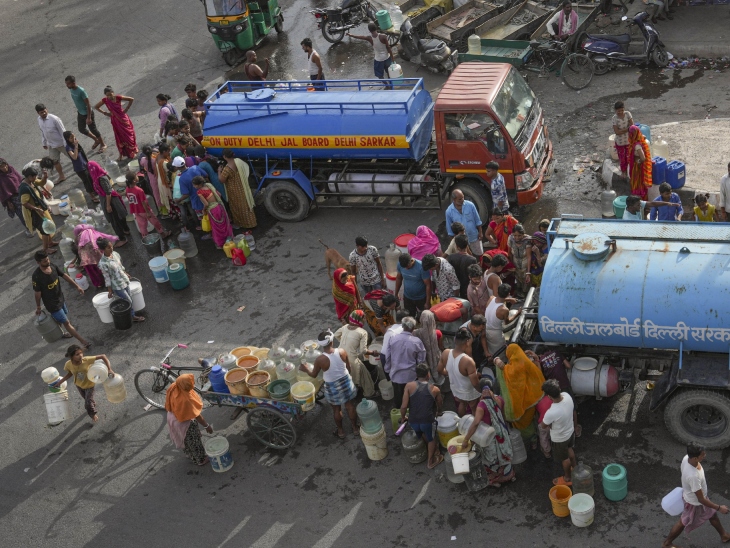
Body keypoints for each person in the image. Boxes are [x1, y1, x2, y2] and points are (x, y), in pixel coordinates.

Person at [662, 444, 730, 548]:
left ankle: (724, 535)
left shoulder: (687, 458)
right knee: (683, 522)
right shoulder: (693, 476)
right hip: (695, 503)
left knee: (712, 515)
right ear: (695, 458)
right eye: (703, 455)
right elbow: (701, 499)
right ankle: (667, 543)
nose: (705, 455)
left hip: (696, 498)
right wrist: (719, 508)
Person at [300, 330, 359, 439]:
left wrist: (306, 369)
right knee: (349, 406)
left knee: (337, 409)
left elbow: (313, 375)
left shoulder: (320, 359)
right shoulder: (342, 351)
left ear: (320, 345)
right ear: (331, 341)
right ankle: (355, 428)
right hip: (345, 380)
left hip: (332, 386)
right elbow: (348, 369)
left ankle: (340, 431)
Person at [462, 379, 515, 486]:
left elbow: (476, 423)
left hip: (489, 437)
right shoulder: (499, 399)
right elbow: (503, 416)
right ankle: (509, 475)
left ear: (480, 390)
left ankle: (495, 480)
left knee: (491, 459)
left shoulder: (482, 405)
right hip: (501, 434)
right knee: (503, 455)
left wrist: (466, 439)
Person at [32, 250, 90, 346]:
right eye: (44, 261)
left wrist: (77, 286)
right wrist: (38, 307)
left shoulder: (52, 266)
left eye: (47, 259)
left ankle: (55, 331)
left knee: (61, 318)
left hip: (60, 298)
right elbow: (37, 293)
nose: (48, 262)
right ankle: (83, 341)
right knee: (66, 323)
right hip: (52, 305)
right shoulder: (37, 276)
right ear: (38, 262)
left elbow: (64, 275)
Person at [494, 344, 545, 450]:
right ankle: (534, 440)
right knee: (530, 421)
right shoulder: (528, 364)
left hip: (517, 406)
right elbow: (538, 375)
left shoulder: (509, 370)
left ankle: (524, 441)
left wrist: (496, 360)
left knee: (521, 424)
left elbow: (501, 368)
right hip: (531, 402)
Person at [401, 363, 444, 469]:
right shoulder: (435, 389)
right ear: (428, 375)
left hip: (413, 421)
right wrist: (438, 412)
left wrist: (403, 418)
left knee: (422, 433)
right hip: (427, 421)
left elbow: (403, 407)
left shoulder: (409, 386)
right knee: (432, 439)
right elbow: (439, 403)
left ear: (417, 374)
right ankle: (431, 461)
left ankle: (430, 448)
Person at [52, 346, 112, 422]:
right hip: (79, 385)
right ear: (71, 357)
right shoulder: (68, 364)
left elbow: (103, 356)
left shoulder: (86, 360)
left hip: (89, 385)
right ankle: (92, 403)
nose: (80, 355)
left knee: (87, 404)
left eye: (81, 353)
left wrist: (109, 369)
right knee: (87, 399)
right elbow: (70, 373)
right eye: (77, 354)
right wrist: (59, 382)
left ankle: (92, 414)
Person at [165, 374, 214, 465]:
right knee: (194, 441)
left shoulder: (174, 386)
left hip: (171, 417)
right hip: (182, 423)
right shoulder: (186, 400)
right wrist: (207, 426)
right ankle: (200, 460)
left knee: (185, 440)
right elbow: (197, 415)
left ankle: (190, 454)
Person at [97, 237, 145, 323]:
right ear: (103, 250)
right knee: (128, 300)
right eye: (108, 248)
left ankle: (128, 314)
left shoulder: (115, 254)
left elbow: (120, 266)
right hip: (117, 286)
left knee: (129, 298)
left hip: (124, 280)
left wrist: (125, 273)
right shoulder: (103, 263)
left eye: (111, 246)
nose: (111, 248)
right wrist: (110, 290)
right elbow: (107, 277)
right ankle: (133, 316)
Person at [540, 379, 576, 486]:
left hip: (560, 439)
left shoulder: (551, 412)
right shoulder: (567, 396)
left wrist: (551, 424)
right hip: (570, 432)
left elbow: (543, 426)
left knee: (564, 459)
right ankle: (575, 469)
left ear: (549, 396)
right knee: (570, 450)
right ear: (559, 389)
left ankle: (567, 477)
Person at [334, 310, 378, 398]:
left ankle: (353, 390)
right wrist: (373, 353)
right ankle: (370, 393)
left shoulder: (345, 326)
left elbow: (336, 335)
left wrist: (345, 344)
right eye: (364, 318)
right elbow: (363, 351)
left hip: (340, 356)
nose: (365, 320)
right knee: (365, 376)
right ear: (360, 320)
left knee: (347, 375)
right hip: (352, 359)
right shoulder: (362, 332)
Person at [385, 316, 426, 408]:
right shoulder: (417, 341)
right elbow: (421, 361)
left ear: (403, 326)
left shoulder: (393, 338)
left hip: (396, 375)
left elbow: (388, 356)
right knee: (412, 399)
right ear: (413, 328)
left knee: (399, 399)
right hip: (411, 376)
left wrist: (387, 370)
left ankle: (401, 416)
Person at [438, 328, 480, 416]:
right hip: (469, 391)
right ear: (467, 342)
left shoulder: (446, 353)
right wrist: (482, 391)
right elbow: (475, 383)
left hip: (455, 389)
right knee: (474, 407)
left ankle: (462, 421)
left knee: (462, 404)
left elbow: (440, 370)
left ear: (454, 339)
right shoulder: (468, 361)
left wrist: (451, 373)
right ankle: (475, 425)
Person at [88, 161, 129, 246]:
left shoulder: (101, 178)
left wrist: (108, 205)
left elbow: (108, 192)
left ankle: (122, 238)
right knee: (119, 217)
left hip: (110, 200)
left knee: (115, 220)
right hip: (109, 199)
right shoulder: (98, 176)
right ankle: (126, 230)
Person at [94, 86, 138, 161]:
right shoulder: (105, 100)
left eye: (111, 94)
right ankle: (121, 154)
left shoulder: (118, 97)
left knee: (129, 135)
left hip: (123, 118)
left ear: (113, 93)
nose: (110, 96)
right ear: (105, 95)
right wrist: (105, 113)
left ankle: (132, 151)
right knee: (119, 137)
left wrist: (126, 109)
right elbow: (96, 106)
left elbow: (131, 99)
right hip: (115, 121)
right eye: (108, 95)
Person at [65, 75, 106, 151]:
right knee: (81, 129)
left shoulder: (81, 91)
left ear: (73, 83)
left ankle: (103, 144)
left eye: (68, 84)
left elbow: (88, 104)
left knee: (93, 130)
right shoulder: (71, 89)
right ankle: (96, 140)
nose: (67, 86)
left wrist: (89, 117)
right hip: (80, 113)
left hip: (87, 113)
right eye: (66, 84)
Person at [347, 23, 395, 89]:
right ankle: (391, 84)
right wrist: (392, 59)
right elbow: (388, 48)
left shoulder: (370, 38)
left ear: (369, 30)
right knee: (389, 72)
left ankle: (387, 85)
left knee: (379, 75)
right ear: (376, 28)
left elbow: (360, 37)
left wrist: (351, 35)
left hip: (378, 60)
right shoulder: (383, 36)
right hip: (387, 58)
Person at [20, 167, 56, 253]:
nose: (36, 178)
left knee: (47, 225)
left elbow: (41, 183)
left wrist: (45, 176)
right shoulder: (24, 188)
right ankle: (45, 249)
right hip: (34, 212)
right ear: (29, 177)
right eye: (34, 177)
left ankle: (50, 243)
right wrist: (37, 209)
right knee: (44, 230)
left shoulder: (32, 182)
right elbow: (24, 203)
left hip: (40, 208)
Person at [125, 172, 171, 239]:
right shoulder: (139, 190)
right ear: (134, 180)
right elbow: (144, 202)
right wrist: (147, 212)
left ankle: (145, 238)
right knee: (155, 222)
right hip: (144, 210)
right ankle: (163, 234)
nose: (137, 176)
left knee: (142, 225)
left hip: (136, 211)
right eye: (136, 176)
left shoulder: (127, 189)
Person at [218, 150, 257, 229]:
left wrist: (219, 171)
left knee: (237, 207)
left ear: (224, 157)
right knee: (245, 204)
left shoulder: (227, 169)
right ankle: (252, 222)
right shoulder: (238, 162)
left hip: (234, 190)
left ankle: (241, 224)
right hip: (242, 186)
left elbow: (222, 180)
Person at [192, 175, 232, 248]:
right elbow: (219, 194)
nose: (193, 186)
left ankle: (221, 243)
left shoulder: (200, 192)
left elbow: (206, 204)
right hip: (219, 207)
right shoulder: (209, 186)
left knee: (216, 228)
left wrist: (203, 210)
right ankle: (229, 239)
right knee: (224, 225)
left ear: (198, 185)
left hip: (213, 210)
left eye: (194, 185)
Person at [73, 223, 116, 288]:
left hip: (87, 258)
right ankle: (110, 279)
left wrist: (78, 262)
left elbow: (78, 250)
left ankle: (99, 284)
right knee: (103, 267)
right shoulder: (93, 232)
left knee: (93, 271)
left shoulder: (78, 238)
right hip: (98, 254)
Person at [35, 104, 68, 182]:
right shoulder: (39, 119)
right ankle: (61, 176)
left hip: (62, 144)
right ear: (38, 113)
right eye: (41, 112)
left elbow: (63, 131)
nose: (43, 113)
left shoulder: (54, 119)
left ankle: (87, 169)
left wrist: (66, 144)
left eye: (44, 111)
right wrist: (44, 142)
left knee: (74, 158)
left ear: (47, 109)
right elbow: (43, 131)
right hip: (52, 145)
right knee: (55, 161)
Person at [413, 310, 445, 388]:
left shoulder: (416, 333)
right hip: (435, 357)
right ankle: (438, 390)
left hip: (423, 359)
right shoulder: (437, 332)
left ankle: (429, 390)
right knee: (437, 373)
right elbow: (441, 346)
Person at [445, 189, 484, 256]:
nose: (462, 200)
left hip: (473, 236)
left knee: (479, 254)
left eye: (463, 197)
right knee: (467, 257)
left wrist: (480, 232)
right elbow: (450, 230)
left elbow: (477, 220)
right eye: (459, 199)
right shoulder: (449, 211)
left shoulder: (470, 205)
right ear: (454, 199)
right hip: (461, 241)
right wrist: (455, 242)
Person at [63, 131, 98, 203]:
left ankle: (96, 191)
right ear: (67, 139)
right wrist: (76, 146)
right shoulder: (68, 147)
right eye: (71, 137)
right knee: (87, 182)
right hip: (80, 168)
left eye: (74, 136)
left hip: (85, 164)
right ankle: (92, 196)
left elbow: (82, 154)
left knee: (91, 179)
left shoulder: (75, 143)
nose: (73, 138)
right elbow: (74, 157)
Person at [0, 158, 32, 235]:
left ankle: (33, 224)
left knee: (30, 209)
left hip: (21, 192)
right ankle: (29, 229)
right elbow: (2, 191)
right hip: (13, 199)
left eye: (5, 165)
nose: (4, 168)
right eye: (1, 167)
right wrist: (8, 202)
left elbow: (19, 179)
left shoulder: (11, 169)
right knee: (21, 214)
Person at [395, 253, 432, 317]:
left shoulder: (421, 267)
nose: (406, 269)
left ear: (411, 261)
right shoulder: (400, 264)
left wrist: (427, 302)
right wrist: (396, 293)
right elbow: (399, 278)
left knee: (423, 317)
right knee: (409, 317)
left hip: (421, 298)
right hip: (407, 297)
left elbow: (428, 285)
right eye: (405, 267)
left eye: (407, 266)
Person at [484, 284, 516, 358]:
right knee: (500, 354)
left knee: (491, 351)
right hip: (496, 334)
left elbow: (497, 299)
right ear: (508, 294)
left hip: (485, 328)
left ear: (497, 292)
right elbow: (507, 322)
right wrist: (518, 313)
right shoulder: (504, 310)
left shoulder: (491, 298)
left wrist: (509, 299)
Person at [174, 157, 204, 231]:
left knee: (203, 217)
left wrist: (179, 200)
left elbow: (186, 194)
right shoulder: (195, 167)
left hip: (196, 201)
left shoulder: (182, 178)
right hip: (206, 195)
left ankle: (206, 230)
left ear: (177, 167)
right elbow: (205, 175)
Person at [447, 234, 477, 299]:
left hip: (455, 286)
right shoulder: (472, 260)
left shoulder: (451, 257)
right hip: (467, 286)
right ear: (467, 245)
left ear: (457, 246)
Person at [627, 125, 652, 199]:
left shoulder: (637, 146)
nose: (629, 135)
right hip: (636, 165)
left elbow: (643, 158)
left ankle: (639, 200)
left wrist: (638, 161)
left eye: (630, 133)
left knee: (638, 184)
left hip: (637, 168)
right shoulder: (637, 139)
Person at [611, 101, 633, 180]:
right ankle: (624, 172)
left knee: (629, 157)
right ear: (615, 110)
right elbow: (616, 132)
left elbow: (632, 126)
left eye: (621, 110)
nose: (620, 112)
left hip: (628, 141)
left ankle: (629, 171)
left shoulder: (628, 114)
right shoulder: (614, 118)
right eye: (618, 111)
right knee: (622, 158)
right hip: (620, 142)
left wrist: (622, 130)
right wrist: (627, 129)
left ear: (624, 109)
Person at [507, 224, 530, 297]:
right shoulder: (511, 239)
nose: (517, 238)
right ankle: (519, 292)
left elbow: (529, 257)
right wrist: (511, 265)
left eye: (519, 235)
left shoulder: (527, 240)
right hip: (515, 264)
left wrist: (528, 272)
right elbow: (509, 253)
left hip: (525, 265)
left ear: (523, 234)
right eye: (515, 235)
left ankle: (526, 294)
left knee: (526, 281)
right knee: (517, 280)